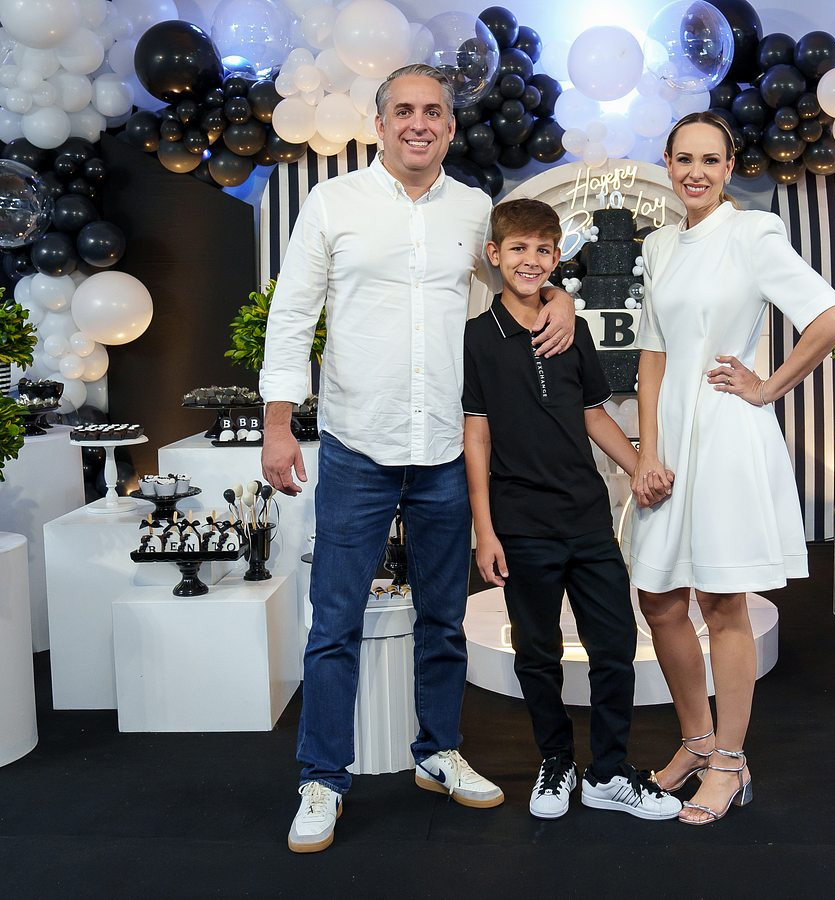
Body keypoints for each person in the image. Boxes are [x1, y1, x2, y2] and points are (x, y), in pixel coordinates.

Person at [259, 64, 577, 854]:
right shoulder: (333, 203)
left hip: (443, 448)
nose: (418, 123)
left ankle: (438, 751)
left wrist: (561, 296)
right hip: (357, 445)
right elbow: (292, 313)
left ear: (450, 125)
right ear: (380, 122)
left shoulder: (472, 211)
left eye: (432, 111)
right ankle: (321, 777)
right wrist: (277, 424)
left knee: (443, 620)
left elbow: (521, 276)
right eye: (403, 110)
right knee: (334, 622)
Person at [629, 112, 835, 825]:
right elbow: (653, 355)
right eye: (684, 158)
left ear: (729, 168)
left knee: (722, 602)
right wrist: (648, 450)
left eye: (710, 160)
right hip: (670, 440)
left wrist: (767, 387)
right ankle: (696, 741)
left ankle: (729, 761)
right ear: (668, 163)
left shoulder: (753, 233)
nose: (695, 172)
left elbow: (832, 318)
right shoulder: (660, 243)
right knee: (658, 599)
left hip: (726, 435)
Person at [462, 198, 681, 822]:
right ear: (495, 255)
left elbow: (592, 413)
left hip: (586, 516)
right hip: (520, 521)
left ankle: (608, 772)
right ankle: (555, 760)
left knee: (614, 643)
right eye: (518, 249)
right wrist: (484, 530)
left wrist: (639, 465)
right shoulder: (477, 338)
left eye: (543, 250)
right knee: (537, 652)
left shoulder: (573, 328)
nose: (530, 260)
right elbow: (476, 437)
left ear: (557, 256)